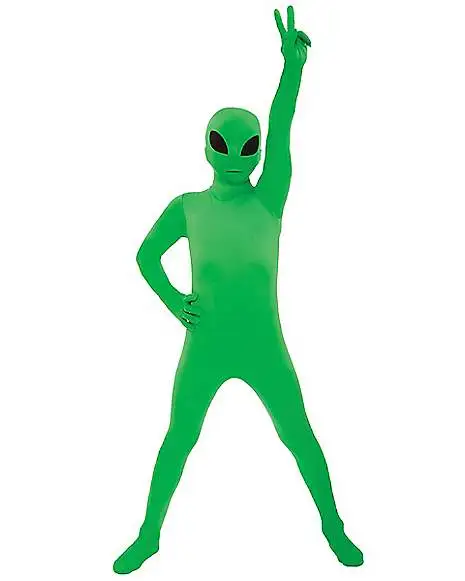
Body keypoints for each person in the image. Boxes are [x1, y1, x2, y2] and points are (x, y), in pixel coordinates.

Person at [114, 6, 363, 574]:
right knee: (179, 439)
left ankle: (333, 525)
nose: (233, 155)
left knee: (298, 434)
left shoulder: (269, 197)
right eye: (223, 144)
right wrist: (173, 301)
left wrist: (292, 70)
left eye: (245, 146)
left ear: (257, 151)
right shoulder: (187, 207)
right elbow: (145, 256)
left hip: (263, 345)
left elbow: (282, 125)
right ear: (206, 146)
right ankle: (149, 534)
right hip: (205, 343)